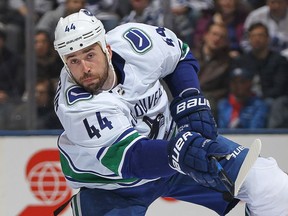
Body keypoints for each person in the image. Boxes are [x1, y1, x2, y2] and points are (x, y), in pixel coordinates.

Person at [53, 9, 288, 216]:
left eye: (90, 55)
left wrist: (190, 98)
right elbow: (132, 159)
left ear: (107, 49)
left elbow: (180, 56)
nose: (85, 68)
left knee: (272, 187)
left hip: (176, 147)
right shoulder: (75, 105)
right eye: (73, 61)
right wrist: (183, 153)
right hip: (114, 185)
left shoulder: (135, 41)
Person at [232, 22, 288, 101]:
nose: (257, 39)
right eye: (253, 36)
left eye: (260, 35)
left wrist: (259, 98)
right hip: (245, 100)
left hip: (271, 100)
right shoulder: (241, 61)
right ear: (249, 39)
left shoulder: (280, 61)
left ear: (268, 39)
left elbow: (279, 89)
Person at [192, 22, 232, 120]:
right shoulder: (189, 55)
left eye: (221, 37)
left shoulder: (227, 62)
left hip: (208, 100)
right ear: (206, 35)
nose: (217, 39)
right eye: (214, 34)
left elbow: (225, 89)